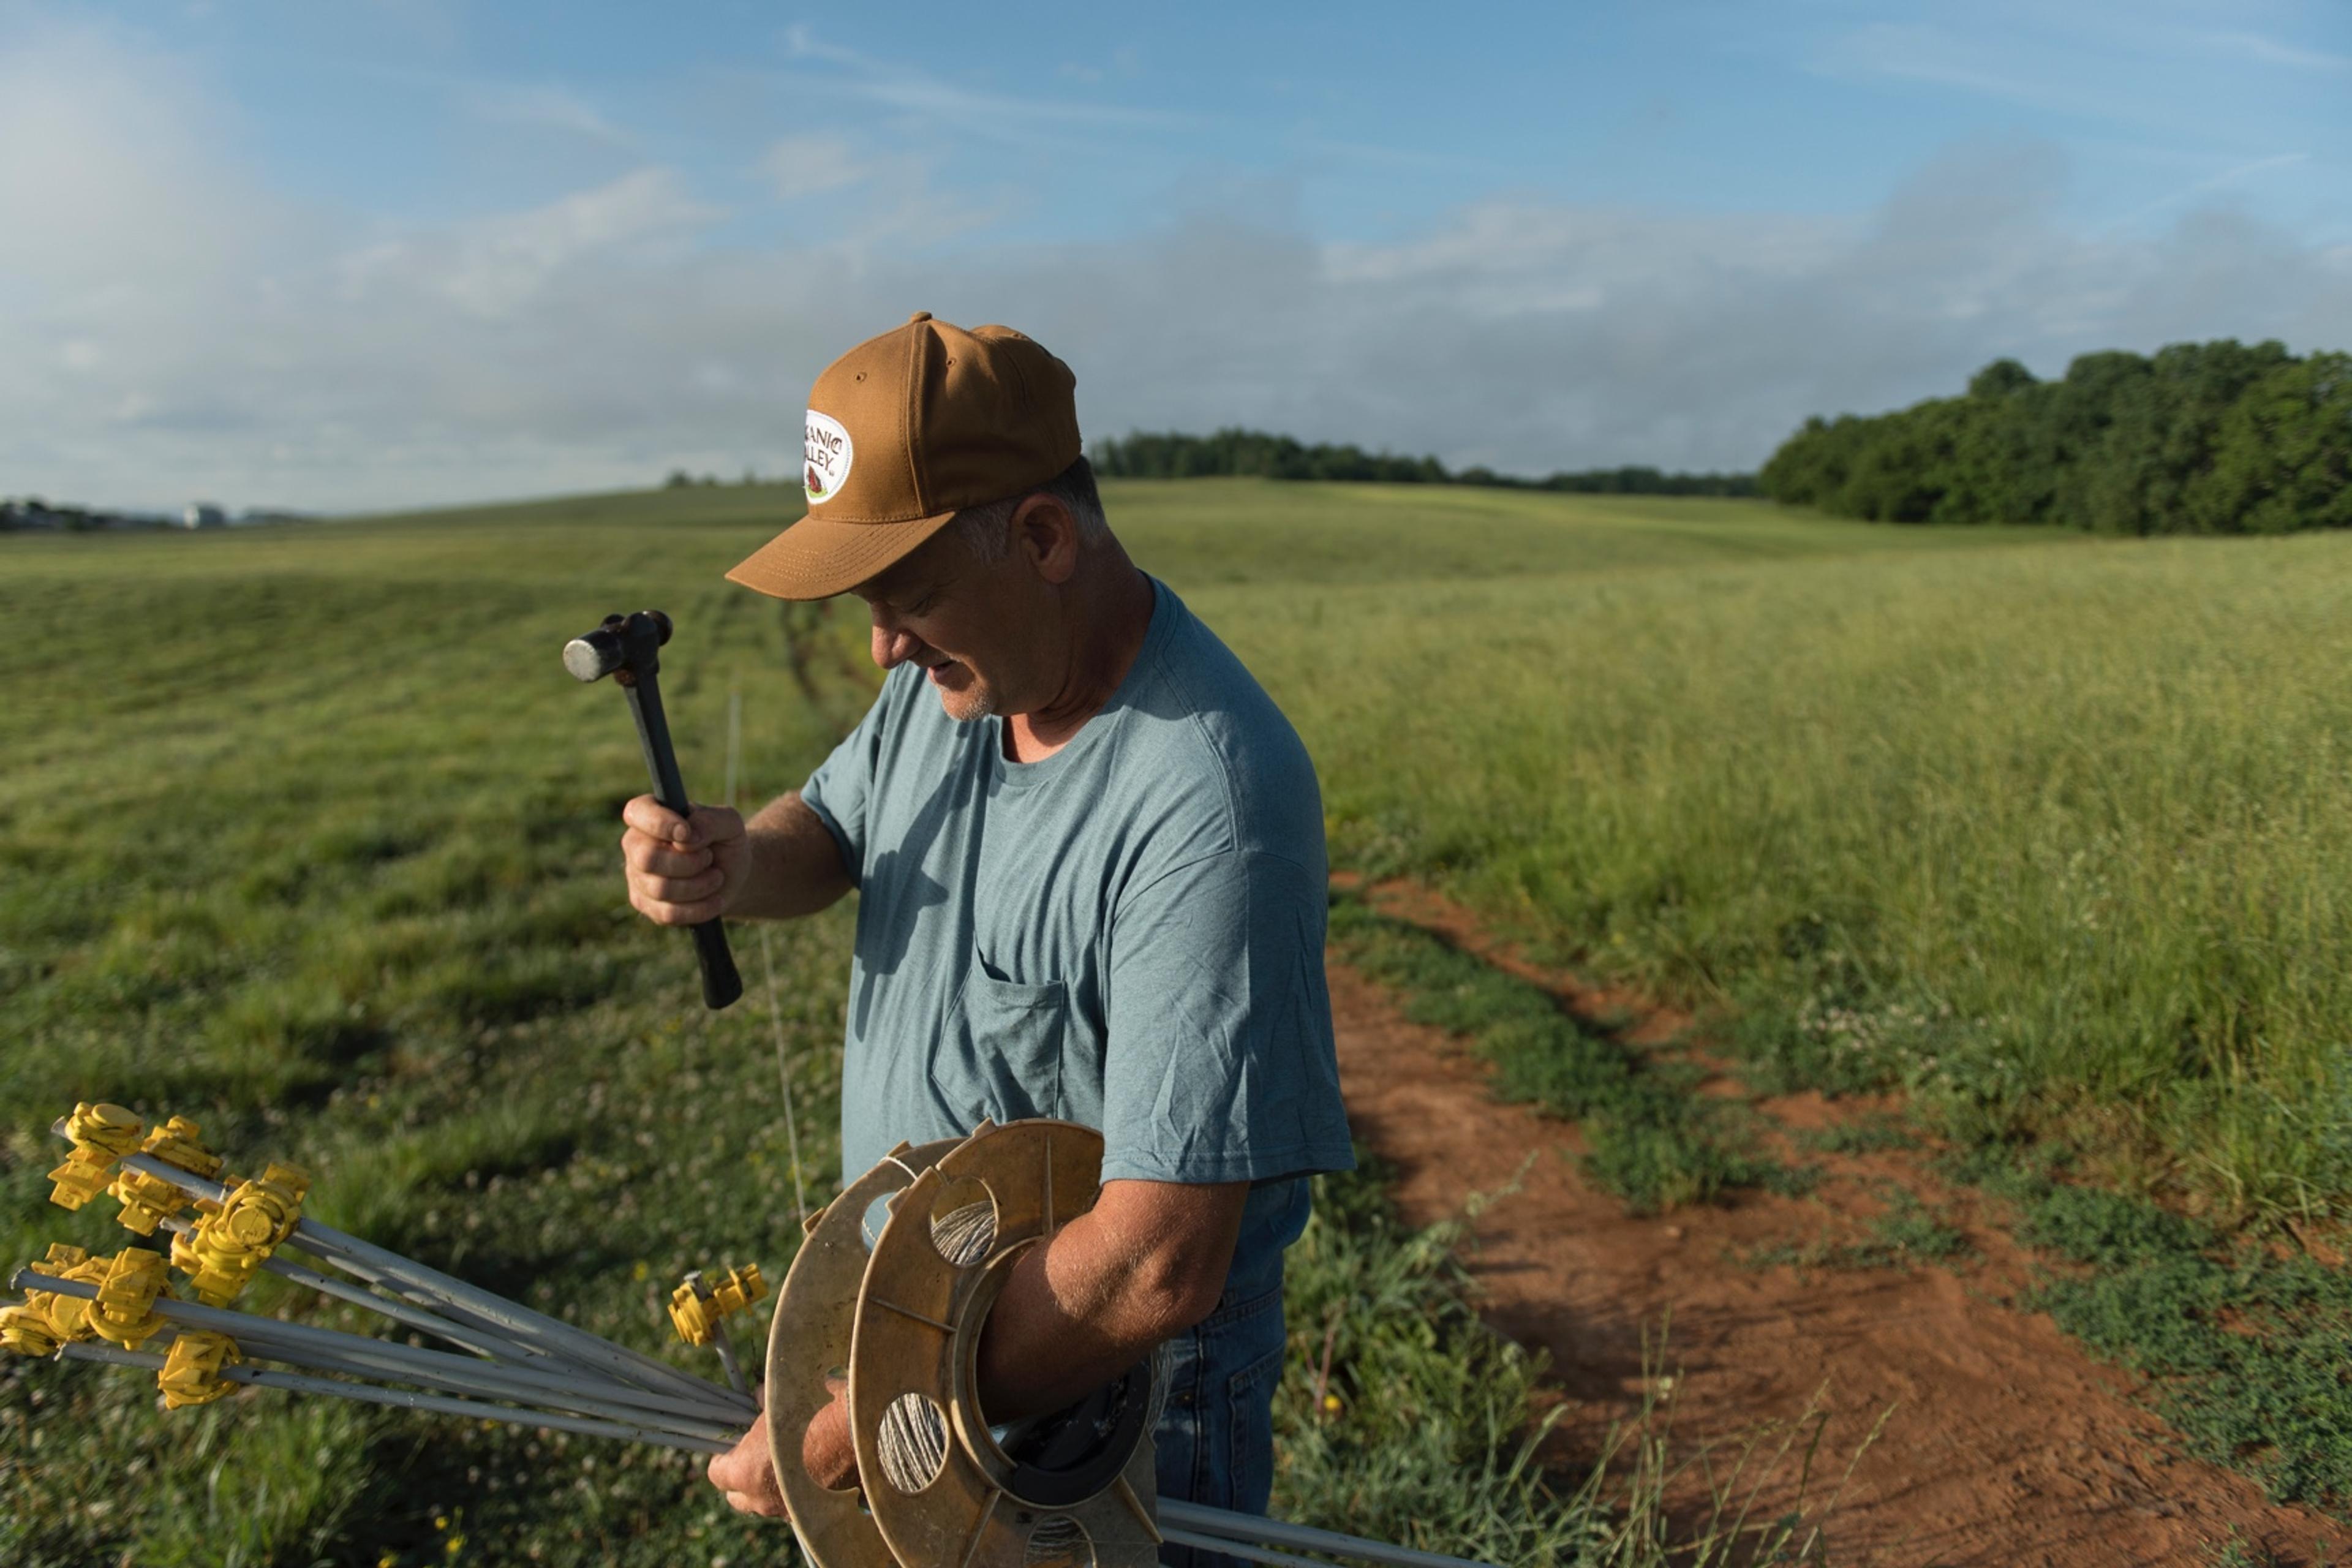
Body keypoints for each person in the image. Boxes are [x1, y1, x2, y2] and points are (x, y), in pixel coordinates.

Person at [618, 311, 1353, 1552]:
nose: (884, 648)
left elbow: (1154, 1262)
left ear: (1045, 537)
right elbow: (837, 829)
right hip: (926, 1356)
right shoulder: (951, 683)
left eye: (907, 599)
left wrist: (872, 1408)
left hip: (1114, 1419)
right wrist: (739, 859)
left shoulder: (1208, 797)